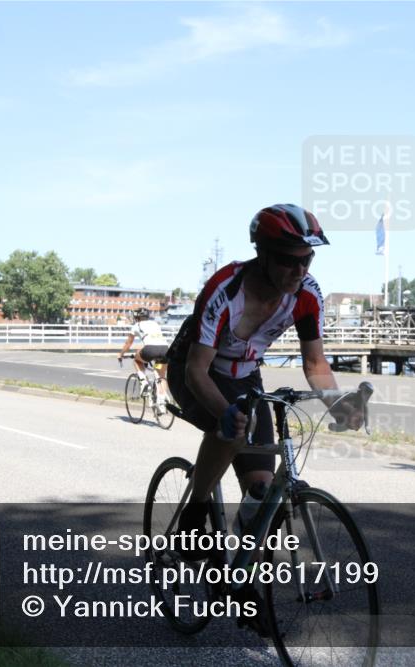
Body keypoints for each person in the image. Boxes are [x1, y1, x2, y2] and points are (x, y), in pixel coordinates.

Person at [164, 204, 362, 628]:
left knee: (264, 492)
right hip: (194, 369)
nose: (299, 269)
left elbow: (315, 364)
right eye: (290, 259)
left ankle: (241, 583)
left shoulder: (307, 293)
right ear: (263, 253)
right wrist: (227, 411)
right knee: (232, 426)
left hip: (246, 374)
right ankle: (195, 512)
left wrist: (338, 402)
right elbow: (198, 370)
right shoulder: (225, 289)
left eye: (307, 259)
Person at [117, 307, 168, 395]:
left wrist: (121, 354)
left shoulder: (137, 325)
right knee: (161, 375)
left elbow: (128, 343)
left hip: (150, 350)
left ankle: (144, 382)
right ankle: (163, 399)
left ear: (136, 317)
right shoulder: (154, 323)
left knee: (137, 360)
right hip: (165, 350)